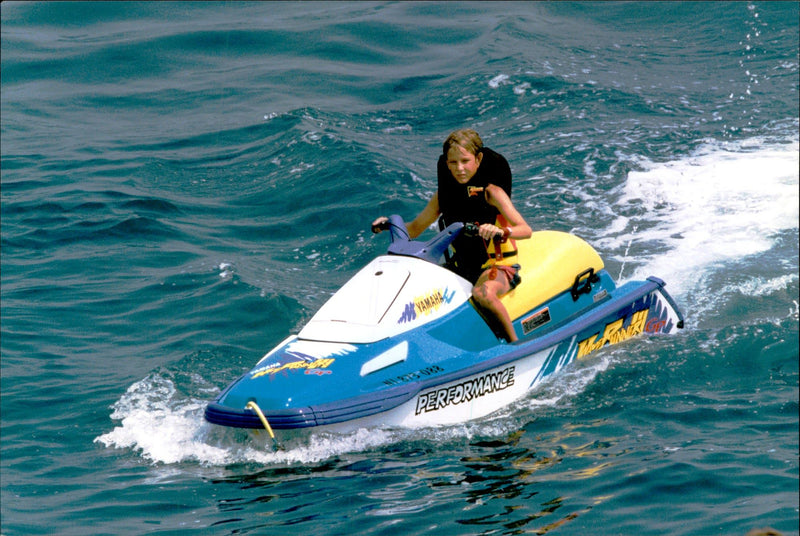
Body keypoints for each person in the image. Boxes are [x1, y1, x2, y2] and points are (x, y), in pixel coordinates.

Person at [373, 129, 532, 342]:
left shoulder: (492, 192)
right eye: (453, 162)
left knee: (482, 294)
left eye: (465, 161)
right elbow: (415, 229)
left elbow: (525, 229)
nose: (460, 168)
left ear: (478, 159)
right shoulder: (444, 196)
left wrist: (500, 231)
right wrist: (388, 225)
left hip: (497, 266)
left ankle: (516, 346)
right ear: (446, 163)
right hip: (461, 267)